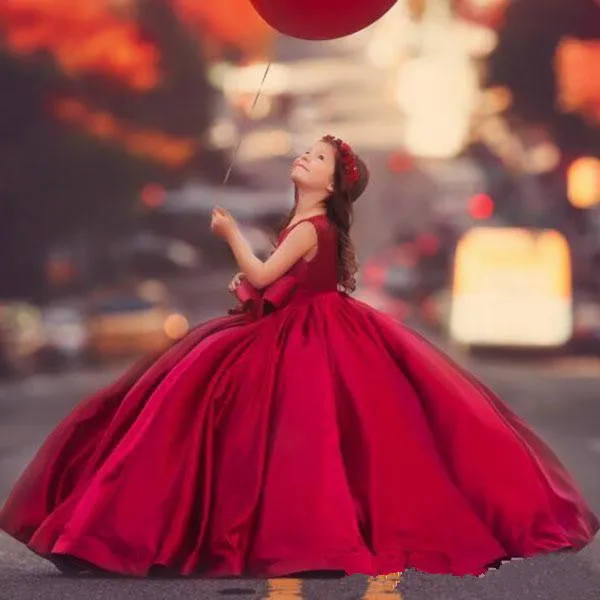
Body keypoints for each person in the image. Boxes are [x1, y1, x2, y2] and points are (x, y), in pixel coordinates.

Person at [0, 135, 597, 579]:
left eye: (317, 159)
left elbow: (265, 271)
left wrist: (230, 232)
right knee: (231, 427)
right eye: (307, 153)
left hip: (300, 340)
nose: (304, 159)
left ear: (331, 185)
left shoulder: (311, 226)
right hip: (300, 327)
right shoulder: (306, 221)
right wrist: (252, 281)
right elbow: (275, 283)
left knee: (203, 421)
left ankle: (124, 532)